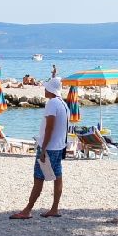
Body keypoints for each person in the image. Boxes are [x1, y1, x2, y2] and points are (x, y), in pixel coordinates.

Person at [11, 77, 70, 219]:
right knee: (58, 177)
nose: (44, 89)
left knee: (38, 178)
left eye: (46, 87)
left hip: (49, 148)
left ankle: (27, 210)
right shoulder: (64, 104)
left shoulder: (52, 103)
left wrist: (43, 149)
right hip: (59, 147)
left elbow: (49, 127)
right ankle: (54, 208)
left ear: (50, 89)